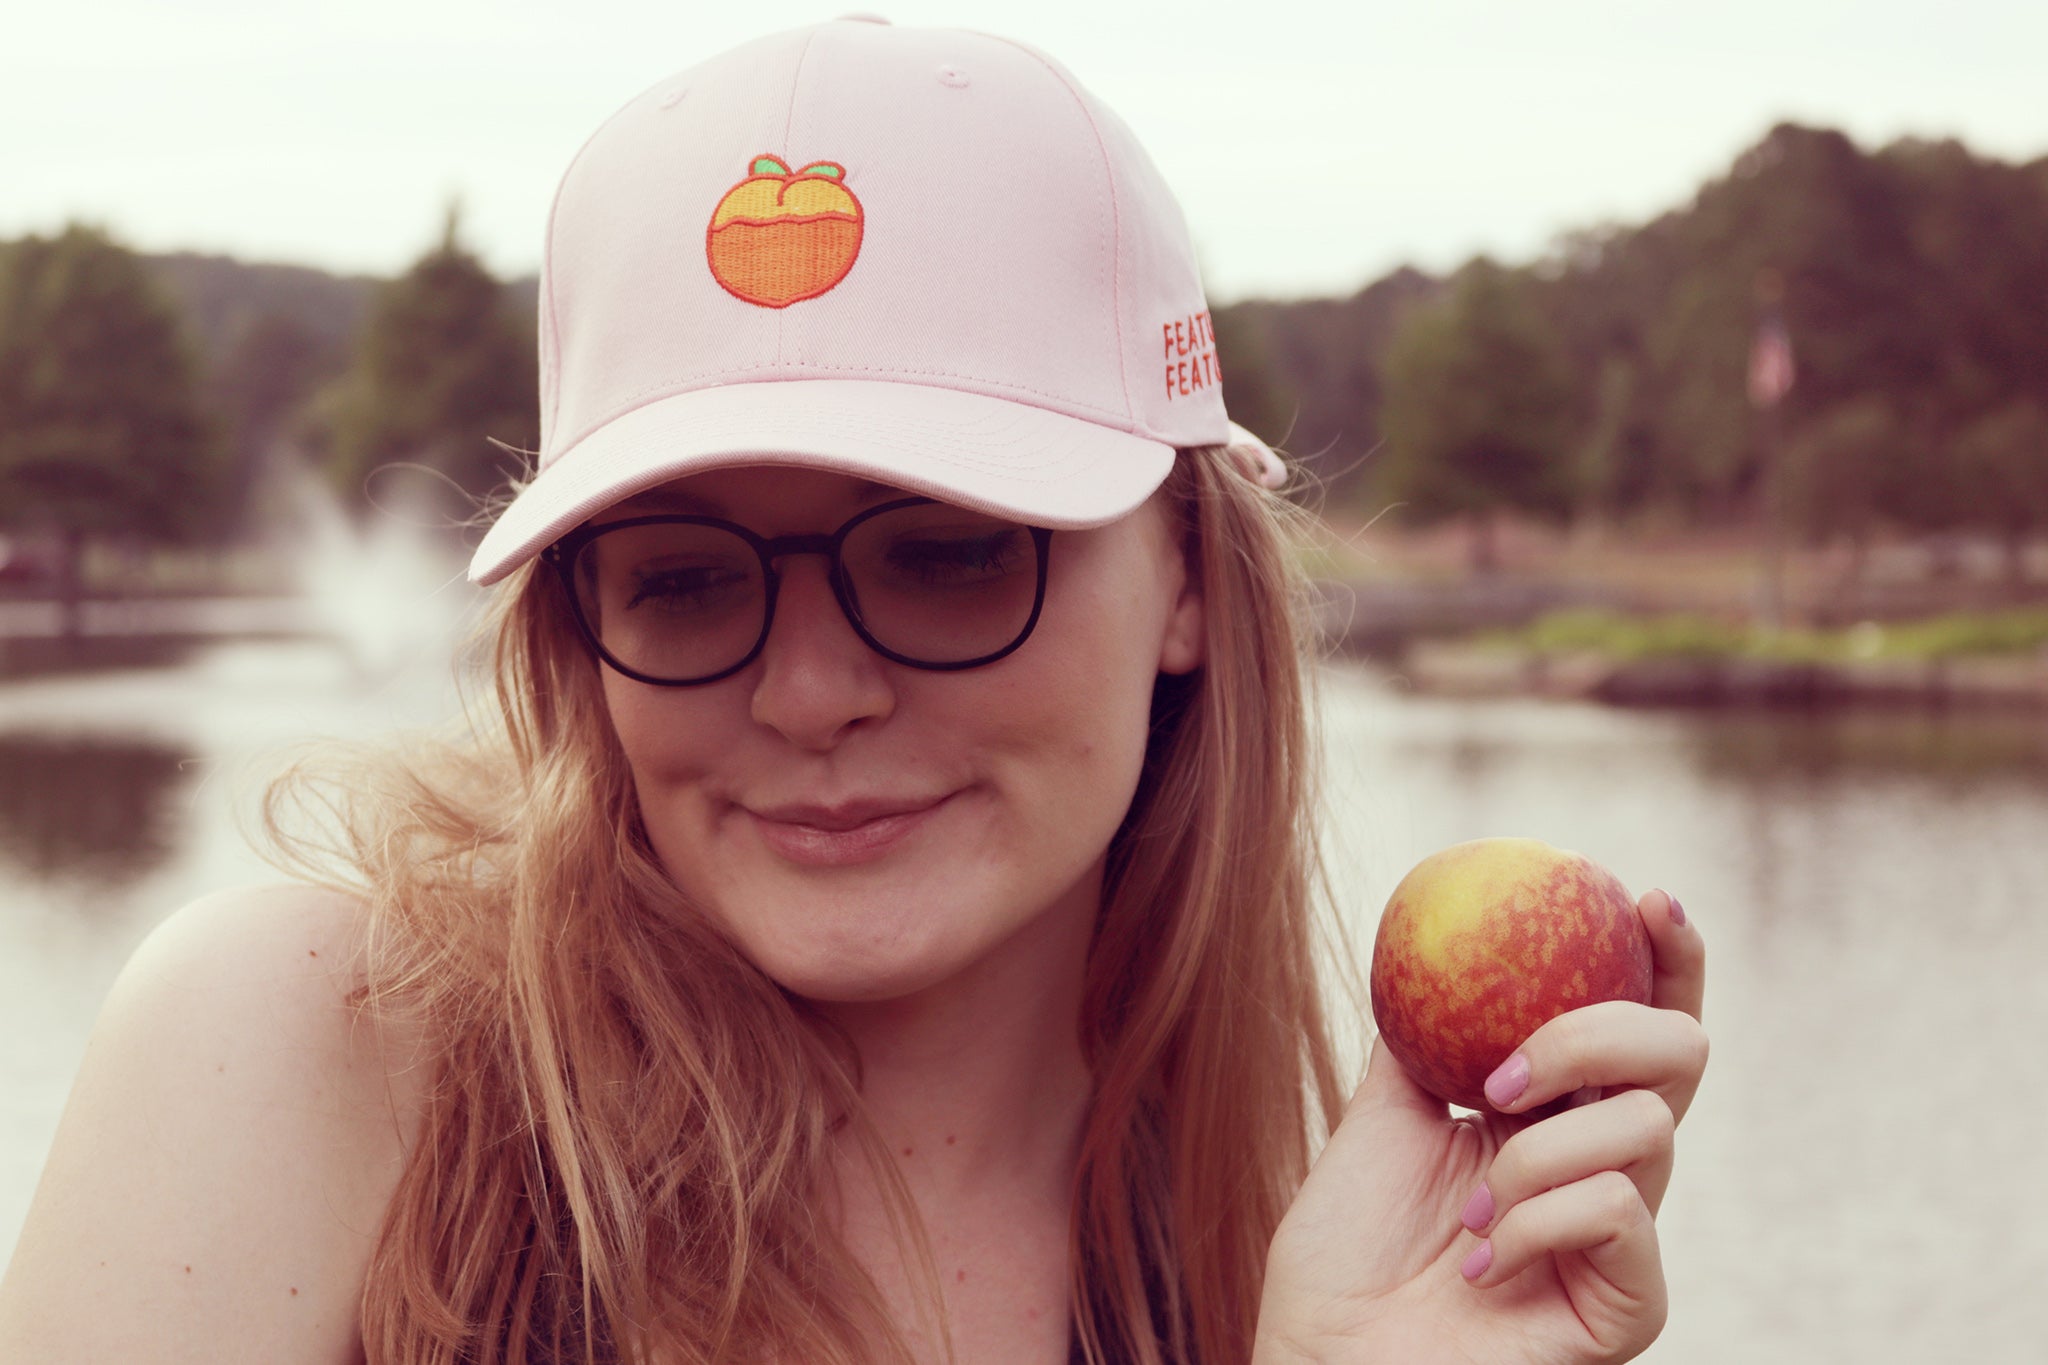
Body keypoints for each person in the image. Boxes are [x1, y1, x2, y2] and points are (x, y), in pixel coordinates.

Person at [0, 18, 1708, 1365]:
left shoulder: (1270, 1245)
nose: (810, 689)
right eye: (679, 575)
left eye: (950, 551)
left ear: (1187, 571)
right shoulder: (316, 1054)